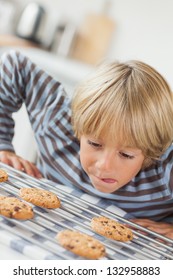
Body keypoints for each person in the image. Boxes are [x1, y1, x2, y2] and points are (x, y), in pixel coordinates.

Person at [0, 50, 173, 239]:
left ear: (152, 152)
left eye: (126, 155)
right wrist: (3, 145)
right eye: (94, 143)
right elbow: (14, 66)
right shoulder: (57, 124)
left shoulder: (165, 168)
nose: (103, 166)